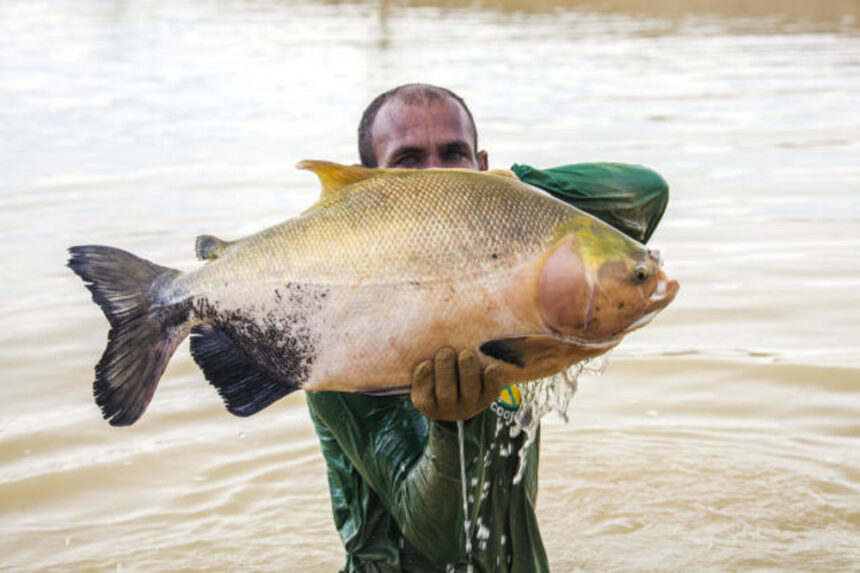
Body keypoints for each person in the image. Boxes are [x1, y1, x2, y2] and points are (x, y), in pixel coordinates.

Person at [306, 84, 669, 572]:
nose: (437, 178)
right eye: (408, 161)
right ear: (372, 188)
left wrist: (510, 190)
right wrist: (449, 426)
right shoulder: (339, 337)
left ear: (481, 165)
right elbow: (440, 539)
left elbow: (646, 192)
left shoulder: (515, 287)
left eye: (453, 155)